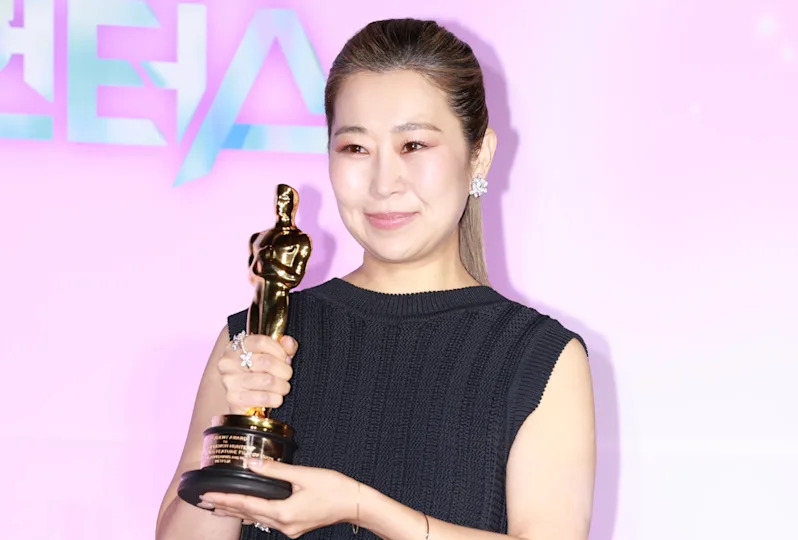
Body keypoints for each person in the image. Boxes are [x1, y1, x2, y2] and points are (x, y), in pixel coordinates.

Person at [156, 18, 595, 540]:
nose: (385, 183)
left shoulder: (538, 358)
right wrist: (234, 429)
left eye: (414, 146)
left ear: (479, 153)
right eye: (356, 149)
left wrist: (362, 507)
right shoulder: (256, 340)